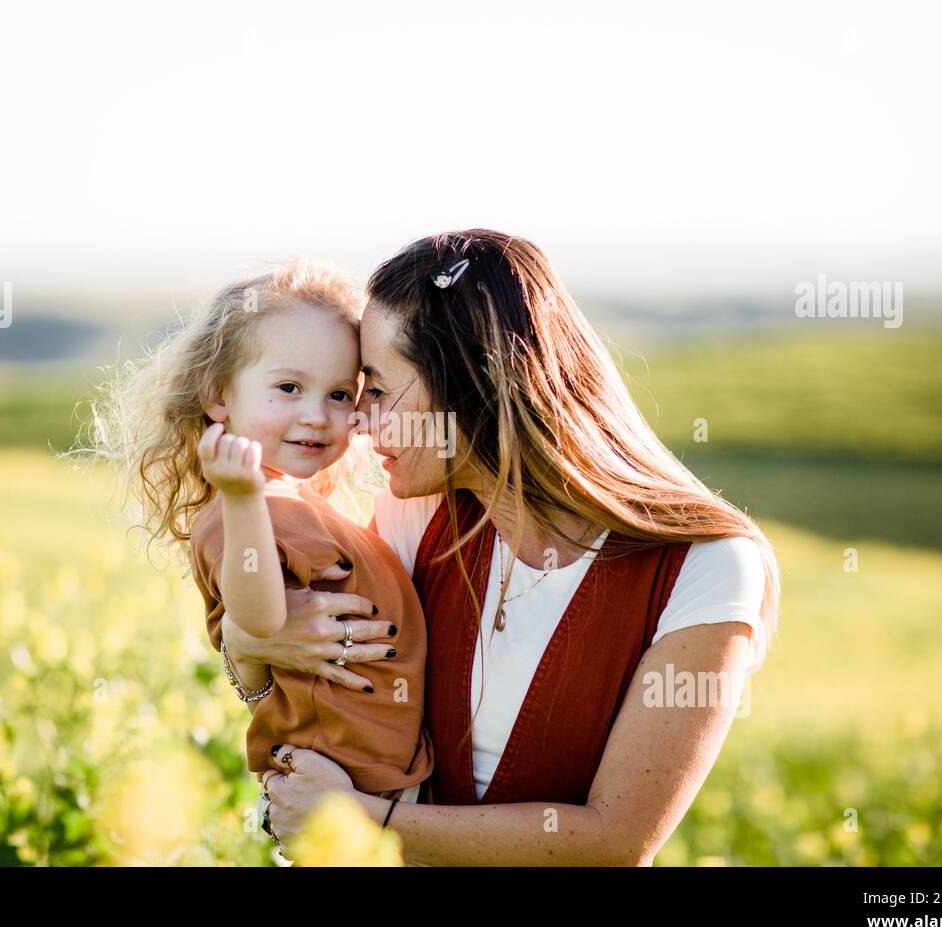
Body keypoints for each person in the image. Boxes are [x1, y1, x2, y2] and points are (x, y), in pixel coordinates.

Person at [227, 229, 782, 866]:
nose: (358, 420)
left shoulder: (704, 566)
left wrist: (363, 819)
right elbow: (327, 691)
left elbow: (615, 839)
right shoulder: (415, 518)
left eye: (376, 391)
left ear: (469, 384)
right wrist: (247, 647)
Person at [85, 261, 434, 837]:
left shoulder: (292, 501)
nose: (316, 415)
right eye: (289, 387)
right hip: (338, 781)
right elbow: (262, 619)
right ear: (217, 394)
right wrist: (244, 498)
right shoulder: (236, 511)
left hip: (379, 775)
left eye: (341, 394)